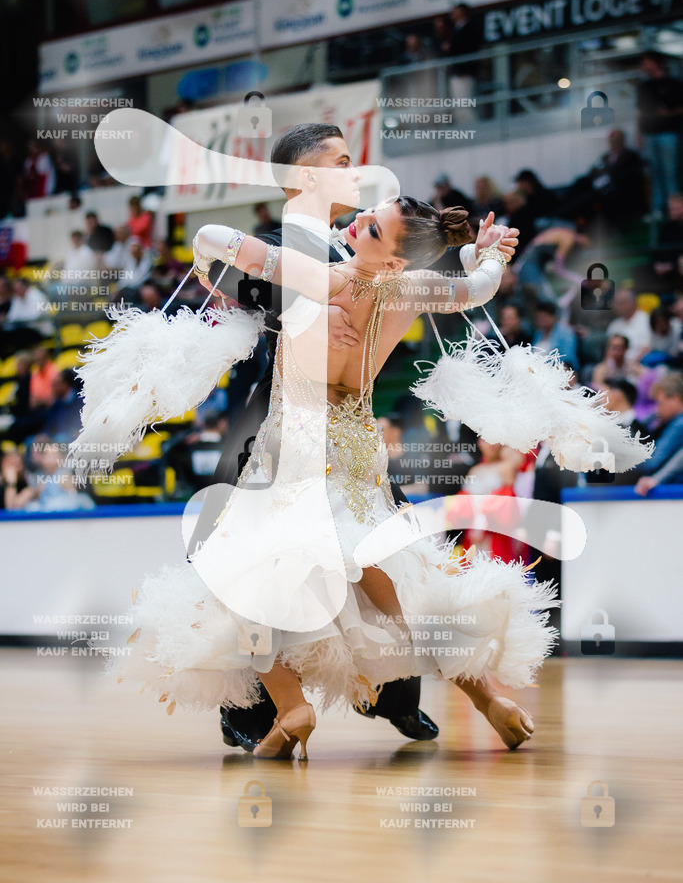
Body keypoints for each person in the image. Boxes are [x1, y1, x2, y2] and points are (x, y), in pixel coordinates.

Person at [109, 197, 560, 758]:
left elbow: (209, 239)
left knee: (244, 577)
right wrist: (484, 255)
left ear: (393, 260)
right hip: (359, 455)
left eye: (372, 228)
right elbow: (481, 288)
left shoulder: (323, 278)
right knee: (402, 590)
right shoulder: (409, 290)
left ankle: (292, 705)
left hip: (292, 452)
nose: (357, 222)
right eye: (368, 213)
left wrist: (208, 264)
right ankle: (488, 698)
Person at [191, 124, 438, 748]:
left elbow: (416, 269)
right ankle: (252, 714)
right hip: (269, 428)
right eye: (341, 162)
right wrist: (307, 306)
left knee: (380, 552)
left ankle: (393, 693)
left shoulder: (356, 241)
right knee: (248, 562)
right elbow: (234, 280)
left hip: (349, 434)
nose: (355, 173)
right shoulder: (285, 239)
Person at [636, 51, 683, 220]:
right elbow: (640, 111)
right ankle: (657, 209)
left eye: (647, 62)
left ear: (656, 63)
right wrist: (639, 134)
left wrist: (669, 113)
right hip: (650, 135)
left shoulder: (674, 84)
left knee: (670, 173)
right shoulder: (644, 86)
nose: (644, 66)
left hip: (669, 134)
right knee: (654, 174)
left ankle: (675, 210)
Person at [634, 372, 683, 495]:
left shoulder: (679, 423)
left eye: (660, 403)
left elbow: (652, 462)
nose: (657, 409)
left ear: (676, 399)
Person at [606, 290, 652, 362]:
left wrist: (632, 364)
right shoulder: (614, 325)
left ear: (631, 303)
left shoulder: (646, 320)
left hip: (640, 363)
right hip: (617, 366)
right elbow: (609, 351)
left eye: (619, 303)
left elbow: (647, 347)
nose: (614, 306)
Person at [532, 301, 578, 367]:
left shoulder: (566, 334)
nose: (541, 320)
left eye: (544, 316)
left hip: (558, 370)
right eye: (539, 317)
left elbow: (567, 359)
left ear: (553, 317)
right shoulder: (537, 334)